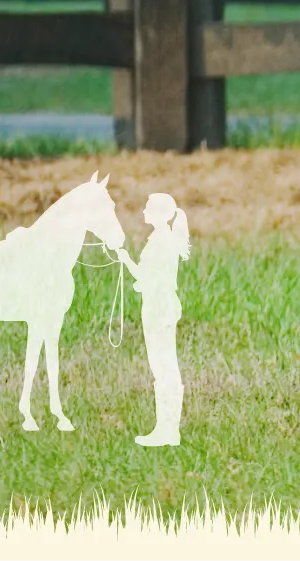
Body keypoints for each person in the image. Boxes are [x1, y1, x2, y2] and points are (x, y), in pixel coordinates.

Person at [115, 192, 189, 447]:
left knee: (164, 367)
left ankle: (167, 430)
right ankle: (167, 428)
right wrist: (126, 260)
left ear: (157, 214)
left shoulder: (160, 243)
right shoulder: (161, 240)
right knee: (165, 367)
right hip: (161, 305)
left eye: (148, 207)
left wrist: (126, 261)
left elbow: (147, 279)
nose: (144, 211)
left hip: (159, 307)